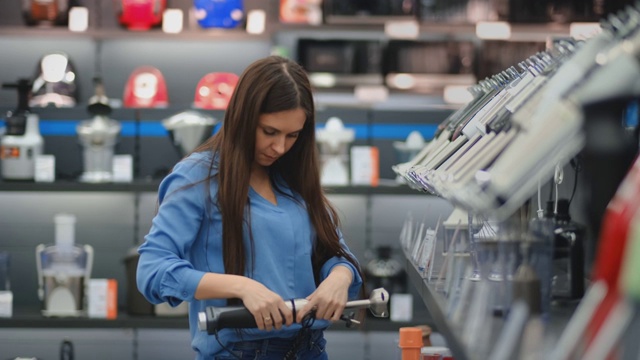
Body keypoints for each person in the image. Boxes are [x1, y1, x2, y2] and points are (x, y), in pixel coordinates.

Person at [137, 55, 364, 360]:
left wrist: (339, 277)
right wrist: (242, 287)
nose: (280, 147)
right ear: (243, 117)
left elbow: (335, 252)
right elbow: (152, 271)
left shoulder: (293, 176)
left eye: (292, 135)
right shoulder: (197, 177)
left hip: (310, 349)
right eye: (269, 132)